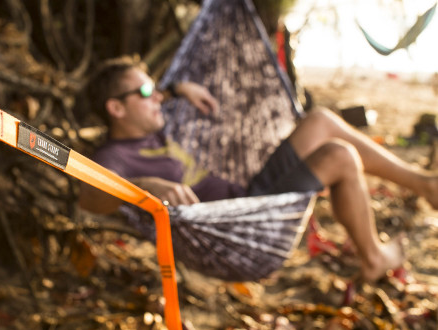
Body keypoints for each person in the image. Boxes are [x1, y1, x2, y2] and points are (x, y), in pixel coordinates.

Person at [79, 55, 438, 283]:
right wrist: (141, 185)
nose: (156, 96)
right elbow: (90, 198)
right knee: (338, 155)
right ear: (116, 109)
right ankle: (374, 256)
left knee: (320, 120)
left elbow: (158, 96)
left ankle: (425, 185)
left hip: (251, 197)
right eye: (146, 91)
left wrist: (177, 88)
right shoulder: (115, 158)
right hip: (241, 231)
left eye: (156, 89)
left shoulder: (149, 123)